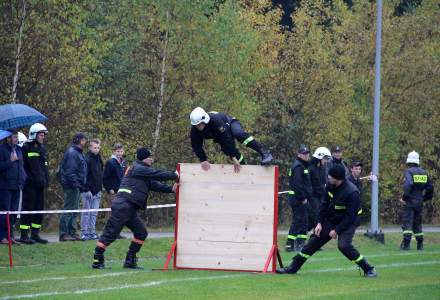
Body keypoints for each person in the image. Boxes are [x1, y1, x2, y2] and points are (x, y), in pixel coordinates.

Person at [277, 164, 378, 277]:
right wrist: (319, 223)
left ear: (337, 178)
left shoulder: (352, 192)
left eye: (330, 176)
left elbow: (350, 217)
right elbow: (323, 205)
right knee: (313, 242)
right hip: (333, 217)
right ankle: (292, 268)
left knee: (344, 246)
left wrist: (336, 230)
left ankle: (369, 269)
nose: (328, 177)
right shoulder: (330, 185)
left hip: (350, 221)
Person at [92, 147, 179, 269]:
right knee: (110, 234)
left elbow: (153, 184)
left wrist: (170, 189)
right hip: (123, 205)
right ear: (144, 158)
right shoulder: (137, 168)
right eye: (150, 157)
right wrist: (174, 175)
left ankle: (130, 261)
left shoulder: (142, 171)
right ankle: (97, 260)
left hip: (129, 207)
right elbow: (156, 174)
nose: (152, 160)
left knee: (141, 233)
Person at [189, 107, 272, 173]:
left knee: (238, 134)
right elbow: (196, 146)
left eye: (199, 124)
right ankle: (243, 166)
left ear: (204, 120)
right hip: (220, 135)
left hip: (230, 123)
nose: (198, 127)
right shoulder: (194, 131)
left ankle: (265, 153)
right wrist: (203, 160)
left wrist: (233, 158)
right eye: (196, 125)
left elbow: (227, 137)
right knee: (228, 150)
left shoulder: (215, 121)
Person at [19, 123, 49, 244]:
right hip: (29, 185)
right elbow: (24, 167)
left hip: (40, 185)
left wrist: (46, 179)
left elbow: (44, 166)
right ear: (34, 134)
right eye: (41, 135)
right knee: (28, 209)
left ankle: (35, 234)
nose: (42, 137)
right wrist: (30, 179)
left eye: (43, 135)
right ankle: (24, 235)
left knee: (39, 209)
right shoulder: (25, 148)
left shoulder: (42, 149)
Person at [400, 151, 434, 251]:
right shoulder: (424, 172)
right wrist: (425, 198)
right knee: (417, 223)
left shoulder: (409, 171)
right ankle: (420, 244)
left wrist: (404, 198)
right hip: (419, 201)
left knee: (408, 222)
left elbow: (408, 185)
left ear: (409, 161)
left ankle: (406, 245)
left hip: (410, 201)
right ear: (418, 161)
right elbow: (430, 187)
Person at [58, 132, 88, 242]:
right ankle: (64, 233)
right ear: (80, 140)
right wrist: (76, 184)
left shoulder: (78, 153)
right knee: (68, 209)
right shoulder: (72, 153)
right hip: (72, 186)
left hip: (76, 186)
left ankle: (72, 232)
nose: (85, 141)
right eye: (84, 139)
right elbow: (70, 172)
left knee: (74, 210)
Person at [0, 131, 26, 245]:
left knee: (14, 212)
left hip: (17, 186)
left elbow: (21, 166)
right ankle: (2, 237)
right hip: (5, 186)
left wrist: (24, 177)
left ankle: (11, 236)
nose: (16, 138)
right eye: (14, 136)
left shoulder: (19, 149)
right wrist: (10, 161)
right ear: (8, 138)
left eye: (16, 136)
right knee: (5, 212)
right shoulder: (1, 149)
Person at [285, 144, 312, 252]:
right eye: (304, 154)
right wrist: (302, 198)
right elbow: (297, 185)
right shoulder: (298, 166)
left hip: (299, 198)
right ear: (299, 155)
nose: (306, 156)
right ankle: (290, 245)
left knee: (303, 221)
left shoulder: (302, 165)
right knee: (298, 221)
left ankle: (300, 244)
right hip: (298, 199)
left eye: (307, 154)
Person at [80, 138, 104, 240]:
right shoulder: (86, 159)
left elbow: (100, 173)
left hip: (97, 190)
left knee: (94, 213)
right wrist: (87, 189)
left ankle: (92, 231)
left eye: (98, 148)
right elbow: (84, 176)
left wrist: (100, 188)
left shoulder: (99, 158)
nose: (97, 149)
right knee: (86, 212)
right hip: (87, 191)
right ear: (90, 147)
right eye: (95, 147)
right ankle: (84, 232)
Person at [308, 147, 331, 231]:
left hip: (321, 197)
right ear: (319, 157)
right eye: (325, 158)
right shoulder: (311, 169)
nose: (326, 161)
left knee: (319, 218)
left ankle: (315, 238)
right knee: (315, 219)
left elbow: (324, 182)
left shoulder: (323, 169)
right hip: (313, 198)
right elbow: (309, 185)